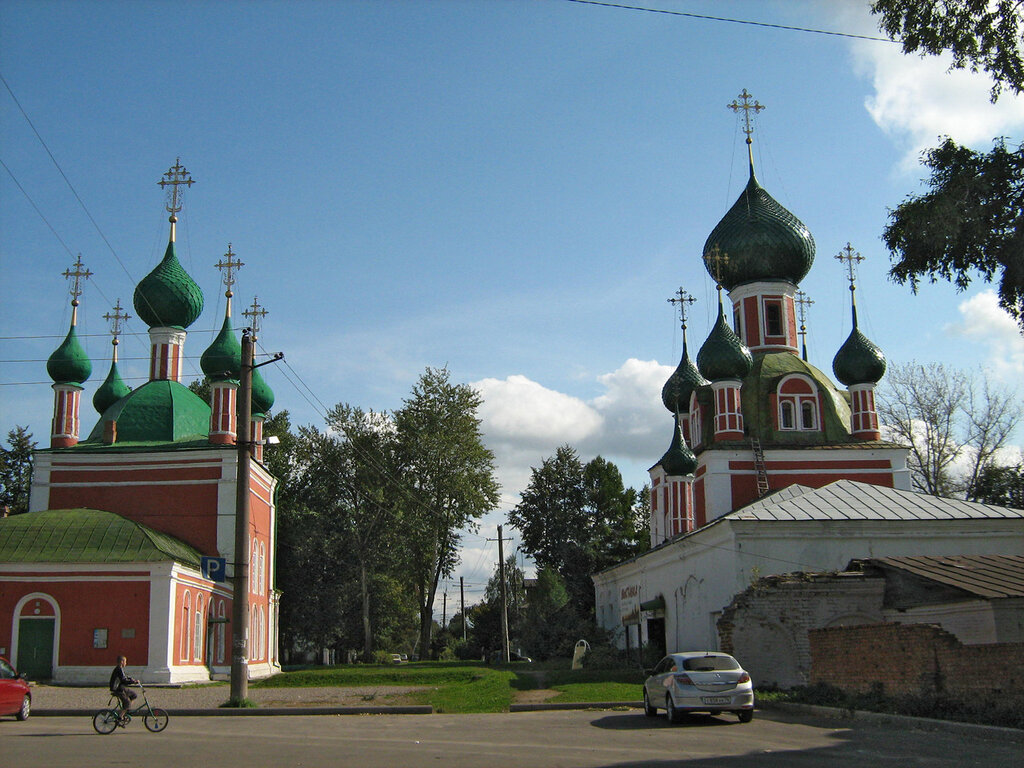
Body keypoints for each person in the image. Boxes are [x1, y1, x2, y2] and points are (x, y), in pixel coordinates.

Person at [109, 655, 138, 720]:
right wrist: (133, 682)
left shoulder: (120, 669)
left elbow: (124, 677)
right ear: (122, 662)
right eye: (125, 662)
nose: (126, 663)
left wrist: (132, 680)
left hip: (121, 687)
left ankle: (126, 710)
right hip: (117, 689)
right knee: (127, 702)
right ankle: (120, 716)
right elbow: (123, 680)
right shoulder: (119, 669)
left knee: (134, 695)